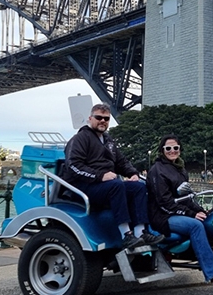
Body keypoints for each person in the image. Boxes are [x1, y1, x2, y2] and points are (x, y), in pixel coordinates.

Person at [63, 103, 163, 250]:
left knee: (138, 187)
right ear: (90, 119)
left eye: (106, 118)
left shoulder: (108, 141)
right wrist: (99, 176)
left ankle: (140, 233)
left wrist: (133, 173)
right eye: (99, 117)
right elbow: (73, 166)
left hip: (105, 186)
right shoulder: (80, 139)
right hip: (84, 187)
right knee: (117, 185)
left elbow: (121, 162)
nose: (103, 121)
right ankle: (126, 236)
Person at [146, 135, 213, 283]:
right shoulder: (157, 170)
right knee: (195, 225)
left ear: (180, 150)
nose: (172, 151)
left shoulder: (180, 170)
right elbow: (164, 202)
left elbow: (187, 197)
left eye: (175, 148)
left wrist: (200, 210)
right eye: (168, 148)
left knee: (211, 220)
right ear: (162, 150)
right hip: (162, 217)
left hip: (175, 213)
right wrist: (191, 214)